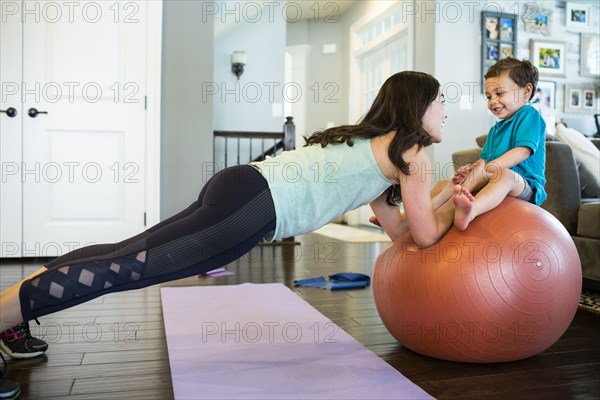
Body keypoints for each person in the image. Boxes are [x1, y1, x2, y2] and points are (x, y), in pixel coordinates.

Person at [0, 71, 481, 343]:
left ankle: (10, 317)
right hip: (253, 206)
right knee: (131, 266)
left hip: (242, 185)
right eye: (441, 101)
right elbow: (425, 236)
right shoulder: (415, 152)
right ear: (417, 106)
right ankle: (4, 317)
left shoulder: (381, 145)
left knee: (125, 253)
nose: (446, 111)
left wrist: (443, 197)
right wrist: (463, 202)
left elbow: (400, 231)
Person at [453, 58, 547, 231]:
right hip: (495, 178)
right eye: (489, 96)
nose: (493, 101)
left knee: (504, 175)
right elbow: (484, 160)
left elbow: (522, 151)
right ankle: (460, 197)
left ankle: (472, 209)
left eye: (500, 93)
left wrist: (491, 167)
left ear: (526, 91)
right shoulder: (495, 130)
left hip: (525, 186)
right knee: (479, 166)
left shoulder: (529, 115)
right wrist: (472, 170)